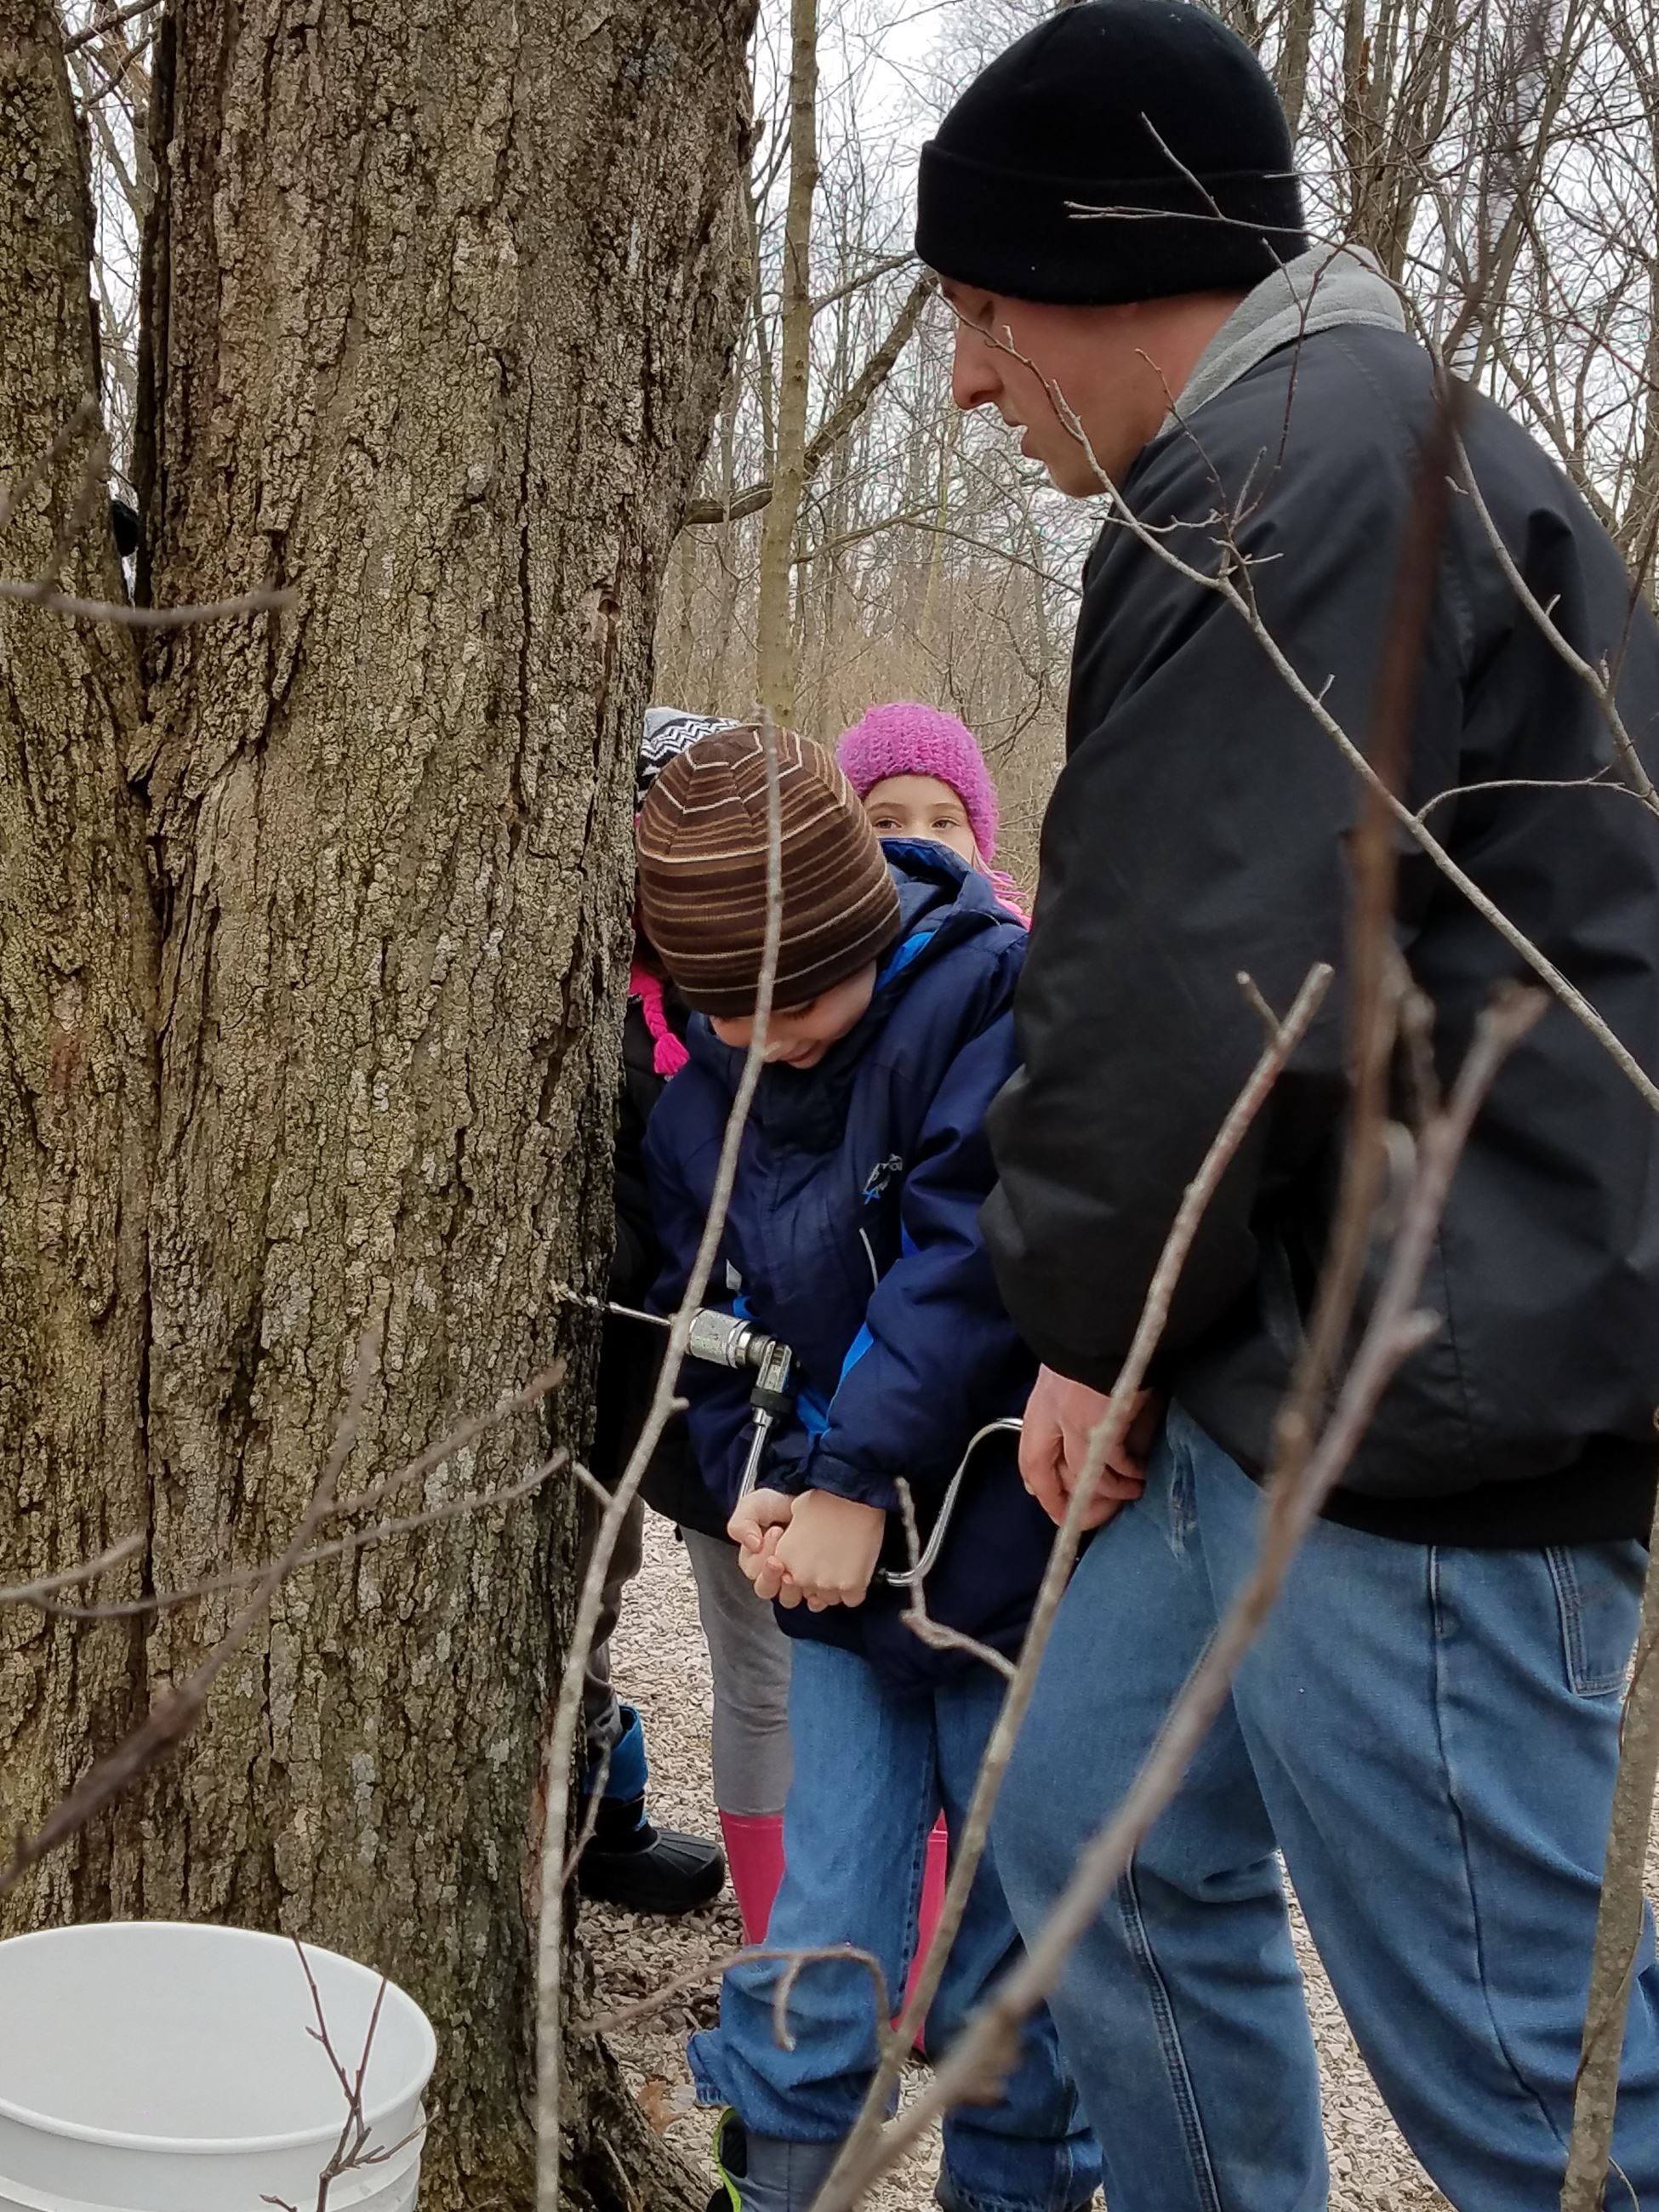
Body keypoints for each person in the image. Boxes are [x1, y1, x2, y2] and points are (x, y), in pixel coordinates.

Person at [914, 4, 1659, 2208]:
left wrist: (1081, 1324)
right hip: (1286, 1340)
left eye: (972, 311)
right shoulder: (1311, 457)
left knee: (1532, 2087)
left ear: (1103, 262)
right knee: (1086, 1832)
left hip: (1415, 1393)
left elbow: (1195, 984)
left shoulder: (1294, 485)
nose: (959, 379)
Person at [637, 726, 1098, 2212]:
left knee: (999, 1956)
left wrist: (853, 1482)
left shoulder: (986, 998)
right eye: (731, 1013)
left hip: (998, 1574)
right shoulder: (698, 1103)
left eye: (799, 999)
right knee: (823, 1933)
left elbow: (969, 1262)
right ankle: (778, 2187)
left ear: (865, 928)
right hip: (830, 1594)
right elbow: (704, 1322)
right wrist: (757, 1490)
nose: (771, 1037)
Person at [580, 708, 797, 1937]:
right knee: (580, 1590)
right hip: (603, 1357)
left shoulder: (742, 998)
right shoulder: (585, 999)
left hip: (719, 1363)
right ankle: (592, 1820)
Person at [836, 701, 1029, 921]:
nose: (919, 840)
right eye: (886, 823)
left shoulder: (1019, 948)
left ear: (976, 839)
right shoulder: (811, 942)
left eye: (942, 823)